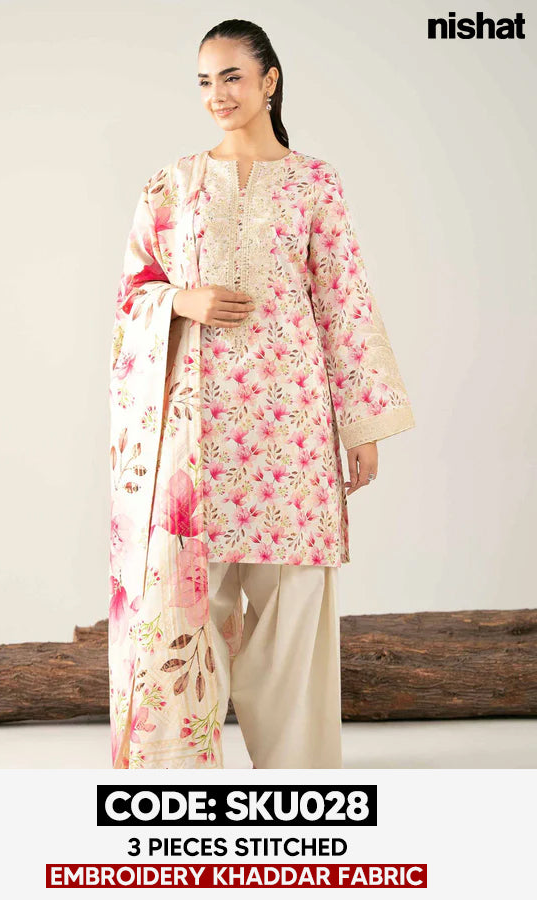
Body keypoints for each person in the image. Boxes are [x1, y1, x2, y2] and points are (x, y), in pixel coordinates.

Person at [108, 19, 415, 770]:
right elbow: (131, 297)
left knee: (294, 604)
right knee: (186, 599)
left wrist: (362, 427)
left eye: (232, 77)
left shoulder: (315, 182)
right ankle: (177, 780)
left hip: (293, 424)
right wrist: (181, 301)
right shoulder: (172, 184)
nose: (217, 94)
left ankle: (297, 780)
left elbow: (343, 300)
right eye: (205, 81)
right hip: (195, 430)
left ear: (269, 81)